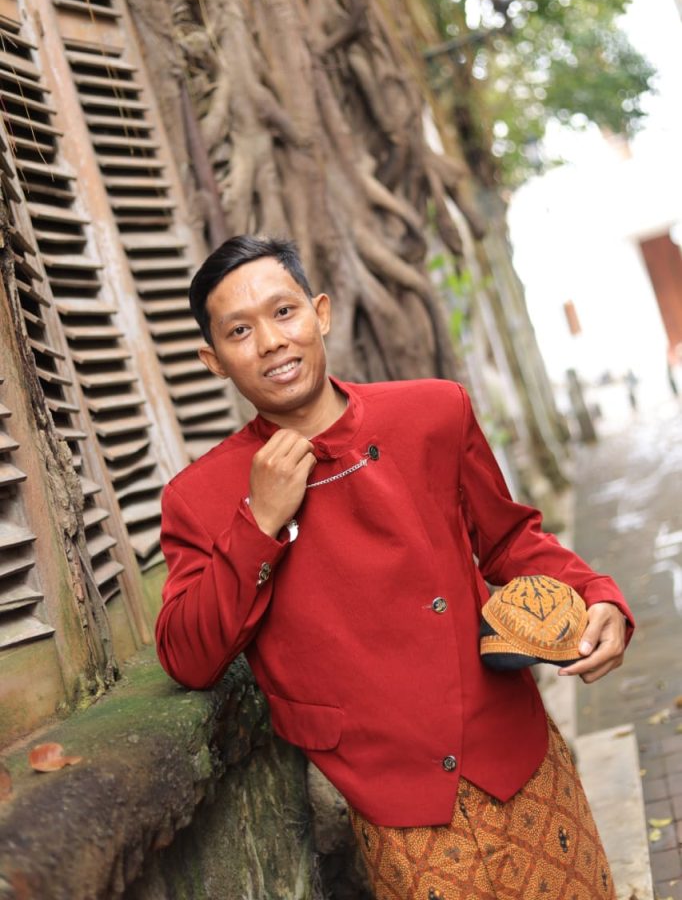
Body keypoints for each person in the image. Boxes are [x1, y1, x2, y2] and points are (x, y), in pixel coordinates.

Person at [156, 235, 634, 900]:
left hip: (512, 746)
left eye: (284, 312)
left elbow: (508, 539)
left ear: (321, 312)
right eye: (240, 330)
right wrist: (257, 523)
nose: (270, 341)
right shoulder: (199, 497)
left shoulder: (433, 411)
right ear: (214, 360)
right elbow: (187, 656)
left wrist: (596, 591)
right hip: (388, 793)